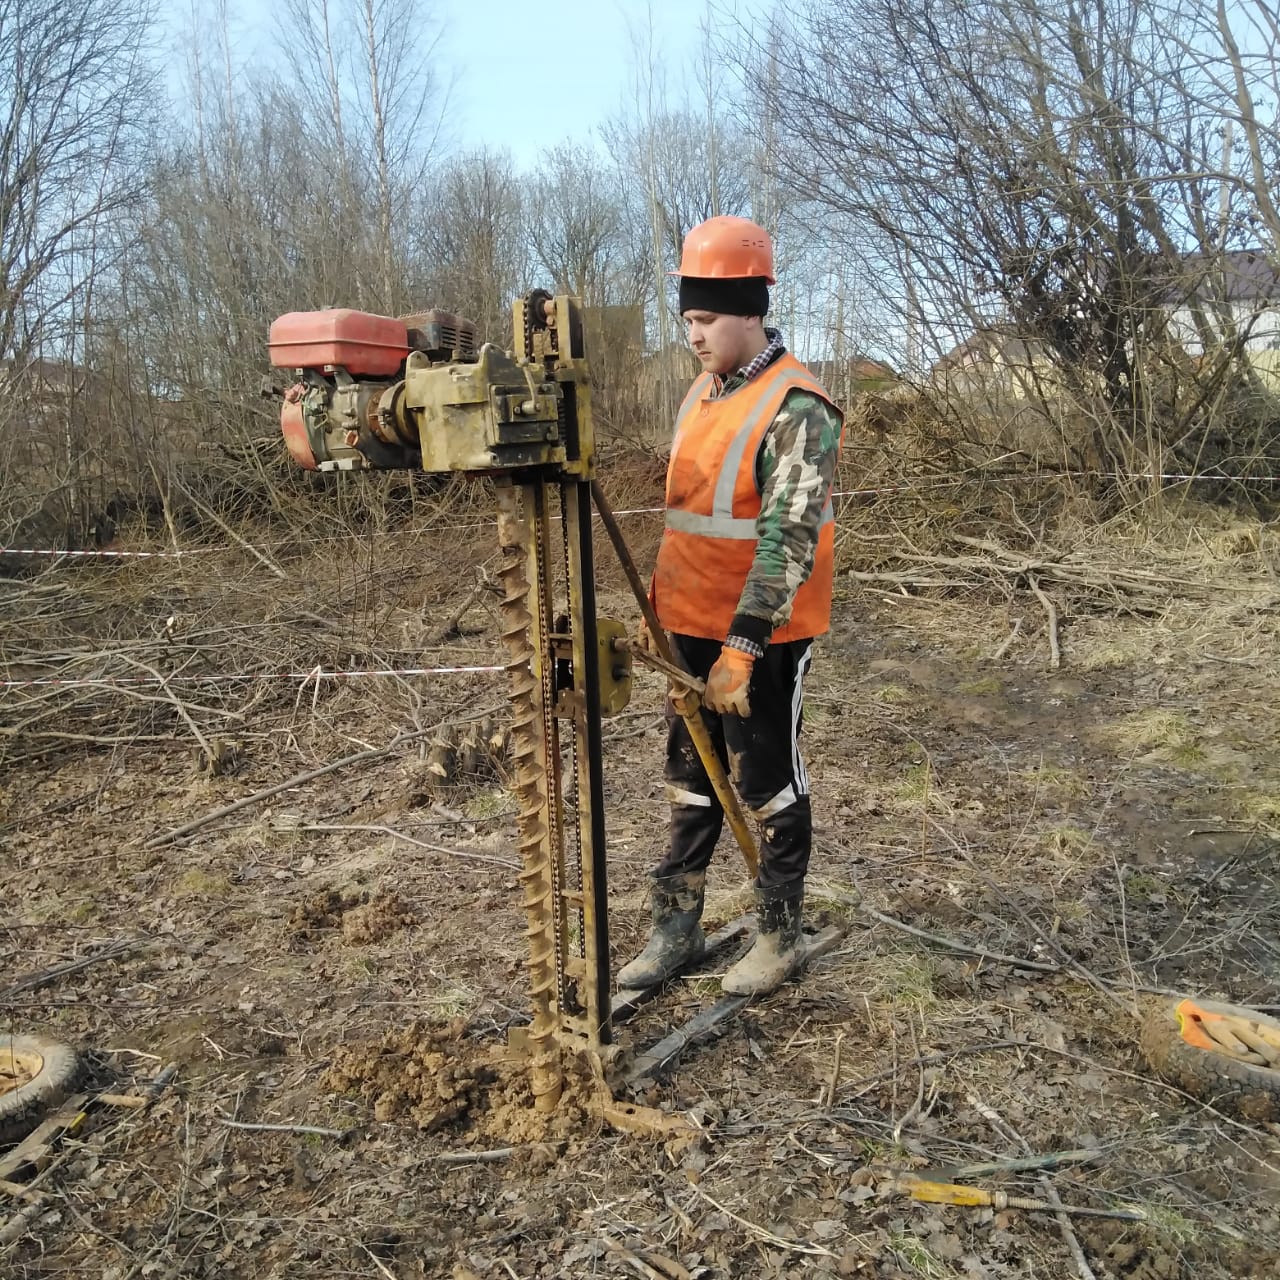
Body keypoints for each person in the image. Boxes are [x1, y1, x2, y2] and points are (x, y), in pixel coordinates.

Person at [618, 215, 845, 997]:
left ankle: (779, 933)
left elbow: (789, 537)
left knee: (765, 778)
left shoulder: (798, 406)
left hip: (761, 634)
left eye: (707, 320)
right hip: (685, 622)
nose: (694, 335)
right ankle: (674, 928)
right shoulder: (701, 392)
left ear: (751, 310)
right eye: (687, 319)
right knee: (691, 774)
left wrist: (743, 646)